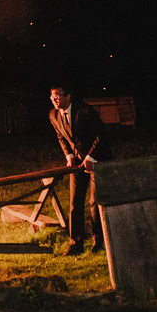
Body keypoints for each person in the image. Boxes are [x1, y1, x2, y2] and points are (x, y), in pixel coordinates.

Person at [48, 84, 112, 256]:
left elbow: (101, 137)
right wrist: (68, 155)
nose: (54, 99)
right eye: (52, 96)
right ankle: (75, 245)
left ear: (68, 96)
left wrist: (90, 158)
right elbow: (61, 137)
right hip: (77, 162)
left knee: (95, 201)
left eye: (58, 96)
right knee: (75, 202)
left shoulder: (85, 111)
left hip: (97, 159)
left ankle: (99, 242)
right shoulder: (53, 115)